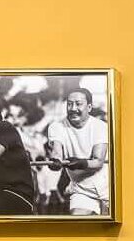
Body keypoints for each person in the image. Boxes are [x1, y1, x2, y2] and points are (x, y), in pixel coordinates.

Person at [45, 87, 110, 215]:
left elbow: (98, 162)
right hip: (82, 190)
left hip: (108, 187)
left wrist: (81, 163)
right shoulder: (56, 127)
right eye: (69, 104)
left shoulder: (100, 126)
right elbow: (57, 151)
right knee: (79, 223)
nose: (73, 108)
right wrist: (55, 162)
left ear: (89, 107)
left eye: (78, 104)